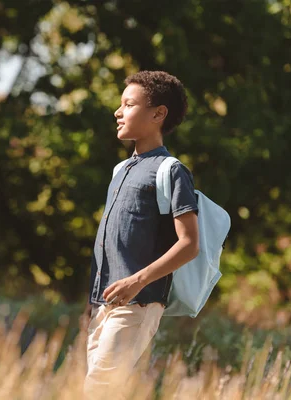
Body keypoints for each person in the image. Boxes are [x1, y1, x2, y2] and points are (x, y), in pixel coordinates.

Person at [85, 71, 200, 396]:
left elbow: (189, 244)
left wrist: (137, 281)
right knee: (97, 387)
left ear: (158, 114)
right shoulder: (120, 170)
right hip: (103, 302)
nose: (118, 112)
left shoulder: (171, 170)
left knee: (99, 387)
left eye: (129, 104)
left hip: (138, 300)